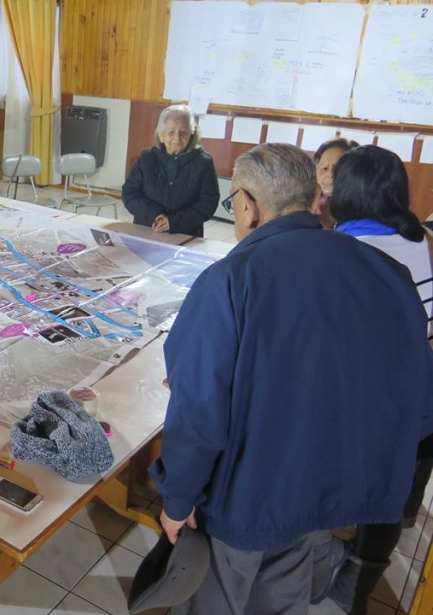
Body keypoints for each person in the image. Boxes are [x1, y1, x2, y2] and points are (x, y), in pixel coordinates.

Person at [149, 143, 433, 614]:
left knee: (216, 599)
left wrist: (177, 500)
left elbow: (198, 415)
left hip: (246, 501)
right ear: (315, 199)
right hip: (324, 495)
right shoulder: (388, 270)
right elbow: (415, 399)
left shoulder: (230, 279)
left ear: (248, 205)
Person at [311, 145, 433, 614]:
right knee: (389, 495)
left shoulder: (346, 250)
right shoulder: (420, 237)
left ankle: (320, 578)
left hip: (356, 403)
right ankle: (358, 586)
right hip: (412, 398)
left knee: (327, 486)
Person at [122, 104, 219, 237]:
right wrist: (154, 215)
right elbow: (129, 193)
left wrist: (172, 221)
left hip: (185, 233)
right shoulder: (147, 158)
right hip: (146, 229)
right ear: (161, 135)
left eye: (183, 132)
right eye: (171, 132)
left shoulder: (203, 162)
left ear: (192, 134)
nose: (177, 138)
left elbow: (208, 203)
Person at [311, 137, 359, 228]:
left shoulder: (361, 218)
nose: (330, 174)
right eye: (324, 168)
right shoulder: (303, 210)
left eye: (338, 169)